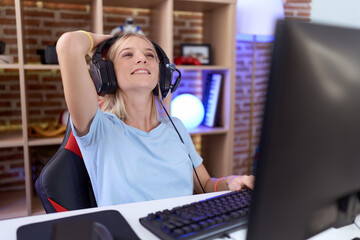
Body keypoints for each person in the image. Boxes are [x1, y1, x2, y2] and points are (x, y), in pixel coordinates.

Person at [56, 30, 255, 207]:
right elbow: (69, 43)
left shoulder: (175, 127)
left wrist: (232, 182)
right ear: (107, 73)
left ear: (162, 75)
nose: (142, 59)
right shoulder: (98, 127)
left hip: (182, 229)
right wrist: (108, 41)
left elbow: (205, 185)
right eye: (127, 54)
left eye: (149, 55)